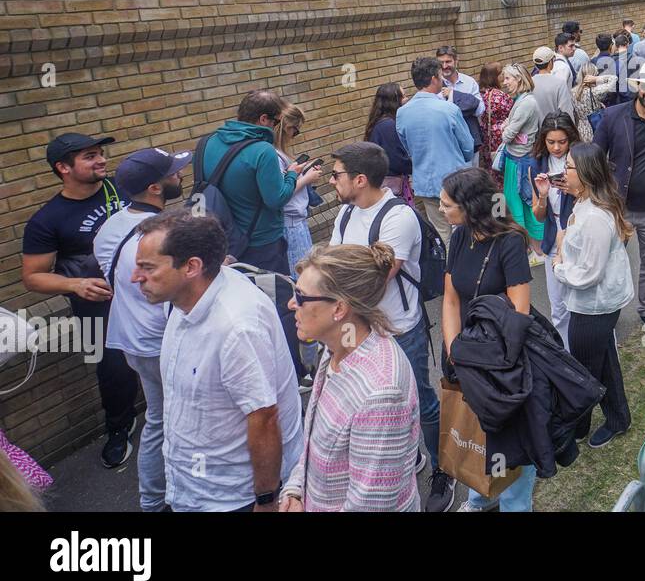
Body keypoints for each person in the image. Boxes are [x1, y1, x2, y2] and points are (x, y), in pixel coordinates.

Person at [133, 213, 304, 511]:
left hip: (230, 499)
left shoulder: (236, 327)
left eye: (147, 267)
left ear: (192, 267)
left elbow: (264, 418)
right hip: (193, 486)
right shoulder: (183, 301)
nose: (135, 277)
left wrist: (265, 500)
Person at [327, 141, 456, 512]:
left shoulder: (398, 217)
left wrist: (338, 287)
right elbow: (334, 265)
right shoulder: (347, 214)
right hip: (356, 330)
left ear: (360, 179)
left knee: (420, 401)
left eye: (337, 175)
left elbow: (376, 280)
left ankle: (442, 468)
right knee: (370, 405)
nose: (332, 181)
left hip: (399, 328)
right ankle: (408, 455)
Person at [22, 132, 135, 468]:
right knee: (112, 369)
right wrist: (75, 284)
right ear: (63, 168)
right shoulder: (47, 219)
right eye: (89, 156)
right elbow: (32, 276)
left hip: (143, 292)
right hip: (93, 306)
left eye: (100, 153)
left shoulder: (123, 188)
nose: (101, 159)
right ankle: (119, 429)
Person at [281, 242, 421, 512]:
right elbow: (313, 440)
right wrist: (296, 490)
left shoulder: (380, 394)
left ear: (339, 309)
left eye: (301, 296)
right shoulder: (339, 343)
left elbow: (370, 506)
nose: (290, 304)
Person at [93, 147, 191, 510]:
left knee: (157, 416)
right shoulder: (167, 235)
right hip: (162, 340)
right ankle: (168, 498)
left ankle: (152, 500)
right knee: (175, 420)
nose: (179, 175)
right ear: (155, 187)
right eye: (173, 173)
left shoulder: (110, 227)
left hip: (130, 337)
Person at [439, 167, 537, 512]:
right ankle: (480, 496)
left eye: (447, 204)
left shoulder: (510, 241)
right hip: (462, 350)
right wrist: (453, 348)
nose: (441, 209)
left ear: (472, 206)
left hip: (500, 356)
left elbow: (519, 310)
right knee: (474, 431)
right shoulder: (459, 237)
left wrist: (481, 358)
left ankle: (515, 505)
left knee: (508, 434)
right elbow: (450, 298)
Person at [551, 143, 634, 448]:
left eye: (569, 166)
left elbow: (589, 274)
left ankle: (578, 427)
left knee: (584, 370)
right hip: (594, 303)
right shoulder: (585, 203)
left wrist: (559, 266)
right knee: (604, 359)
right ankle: (618, 418)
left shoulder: (596, 217)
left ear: (585, 174)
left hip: (595, 306)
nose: (564, 172)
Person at [593, 62, 645, 339]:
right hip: (618, 208)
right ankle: (605, 311)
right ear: (638, 87)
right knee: (610, 260)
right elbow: (594, 156)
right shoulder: (614, 117)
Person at [198, 90, 319, 273]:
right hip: (260, 242)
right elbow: (276, 199)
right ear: (263, 119)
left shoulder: (206, 142)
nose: (276, 126)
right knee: (273, 294)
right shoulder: (263, 150)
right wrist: (292, 175)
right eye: (276, 121)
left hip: (222, 237)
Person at [397, 56, 475, 243]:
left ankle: (448, 270)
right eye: (440, 75)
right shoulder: (449, 109)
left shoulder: (402, 112)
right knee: (464, 230)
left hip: (425, 182)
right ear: (434, 78)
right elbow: (468, 146)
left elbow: (406, 146)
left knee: (442, 234)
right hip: (454, 181)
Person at [527, 112, 581, 348]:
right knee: (558, 305)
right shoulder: (536, 165)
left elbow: (599, 200)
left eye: (562, 142)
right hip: (552, 236)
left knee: (581, 301)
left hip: (579, 233)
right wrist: (543, 194)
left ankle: (589, 348)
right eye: (551, 142)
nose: (557, 147)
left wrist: (574, 190)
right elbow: (538, 215)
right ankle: (567, 353)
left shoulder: (581, 160)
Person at [498, 64, 546, 262]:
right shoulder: (521, 101)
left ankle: (539, 250)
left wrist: (505, 128)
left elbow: (508, 135)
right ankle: (533, 249)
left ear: (519, 79)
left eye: (508, 78)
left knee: (526, 204)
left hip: (521, 163)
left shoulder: (526, 103)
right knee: (519, 204)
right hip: (517, 160)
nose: (505, 82)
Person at [274, 103, 321, 278]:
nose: (295, 135)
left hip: (296, 221)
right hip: (290, 223)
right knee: (301, 275)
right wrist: (307, 179)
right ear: (287, 127)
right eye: (296, 130)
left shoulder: (278, 153)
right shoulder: (275, 156)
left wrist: (302, 173)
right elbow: (281, 192)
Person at [366, 82, 413, 201]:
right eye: (404, 96)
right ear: (393, 100)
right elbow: (397, 159)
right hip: (392, 184)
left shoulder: (382, 122)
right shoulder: (388, 126)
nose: (407, 99)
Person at [477, 62, 514, 183]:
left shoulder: (478, 94)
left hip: (484, 134)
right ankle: (503, 197)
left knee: (489, 167)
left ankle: (494, 196)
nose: (503, 78)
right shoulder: (500, 96)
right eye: (501, 74)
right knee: (501, 165)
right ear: (494, 77)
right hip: (499, 135)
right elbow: (512, 114)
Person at [572, 61, 618, 143]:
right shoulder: (595, 91)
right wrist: (596, 79)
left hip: (581, 129)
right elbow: (614, 78)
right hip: (595, 127)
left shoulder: (573, 92)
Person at [531, 46, 578, 119]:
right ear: (550, 62)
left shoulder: (530, 83)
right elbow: (566, 111)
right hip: (554, 128)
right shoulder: (559, 83)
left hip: (537, 128)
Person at [437, 45, 485, 117]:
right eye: (441, 62)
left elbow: (480, 110)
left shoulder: (469, 82)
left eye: (448, 62)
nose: (444, 66)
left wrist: (454, 95)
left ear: (456, 61)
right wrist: (467, 103)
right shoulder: (434, 85)